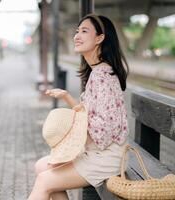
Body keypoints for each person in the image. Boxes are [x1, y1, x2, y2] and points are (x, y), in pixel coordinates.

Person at [27, 13, 130, 200]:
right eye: (77, 31)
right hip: (98, 152)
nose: (77, 36)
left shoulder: (102, 76)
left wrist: (72, 130)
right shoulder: (98, 72)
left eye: (84, 31)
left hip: (106, 157)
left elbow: (104, 132)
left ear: (100, 38)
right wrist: (67, 97)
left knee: (44, 181)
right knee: (41, 167)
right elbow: (89, 114)